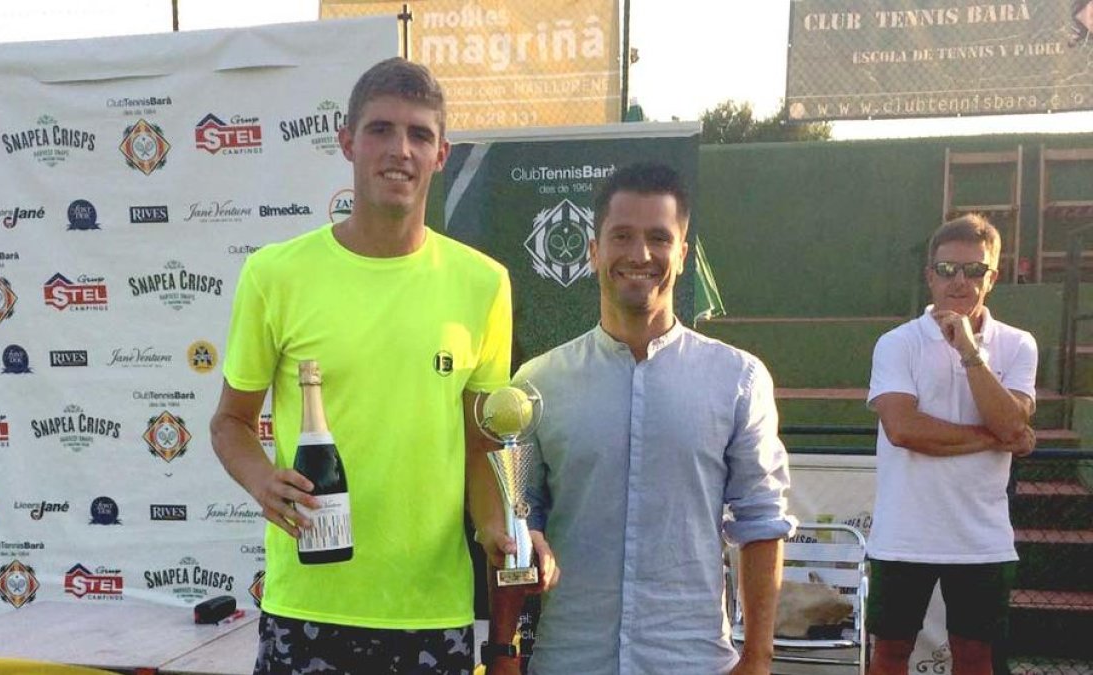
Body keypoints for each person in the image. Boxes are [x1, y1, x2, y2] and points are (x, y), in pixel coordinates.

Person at [210, 57, 522, 675]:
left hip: (432, 611)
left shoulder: (484, 284)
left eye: (419, 134)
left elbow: (482, 443)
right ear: (347, 141)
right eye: (380, 129)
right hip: (308, 605)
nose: (399, 150)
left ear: (441, 154)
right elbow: (230, 423)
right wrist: (261, 480)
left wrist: (500, 528)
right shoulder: (275, 275)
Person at [501, 162, 796, 674]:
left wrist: (758, 659)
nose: (640, 255)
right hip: (571, 658)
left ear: (682, 254)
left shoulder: (738, 379)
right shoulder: (536, 384)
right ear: (593, 252)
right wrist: (505, 655)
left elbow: (762, 523)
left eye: (659, 238)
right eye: (621, 236)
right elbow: (518, 523)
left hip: (692, 660)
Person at [867, 214, 1037, 675]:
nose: (959, 280)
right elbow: (904, 430)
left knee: (976, 658)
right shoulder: (896, 344)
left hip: (980, 539)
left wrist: (968, 349)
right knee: (889, 655)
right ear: (929, 276)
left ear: (992, 278)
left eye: (973, 270)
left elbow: (1009, 418)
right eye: (946, 270)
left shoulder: (1019, 345)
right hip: (903, 535)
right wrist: (998, 437)